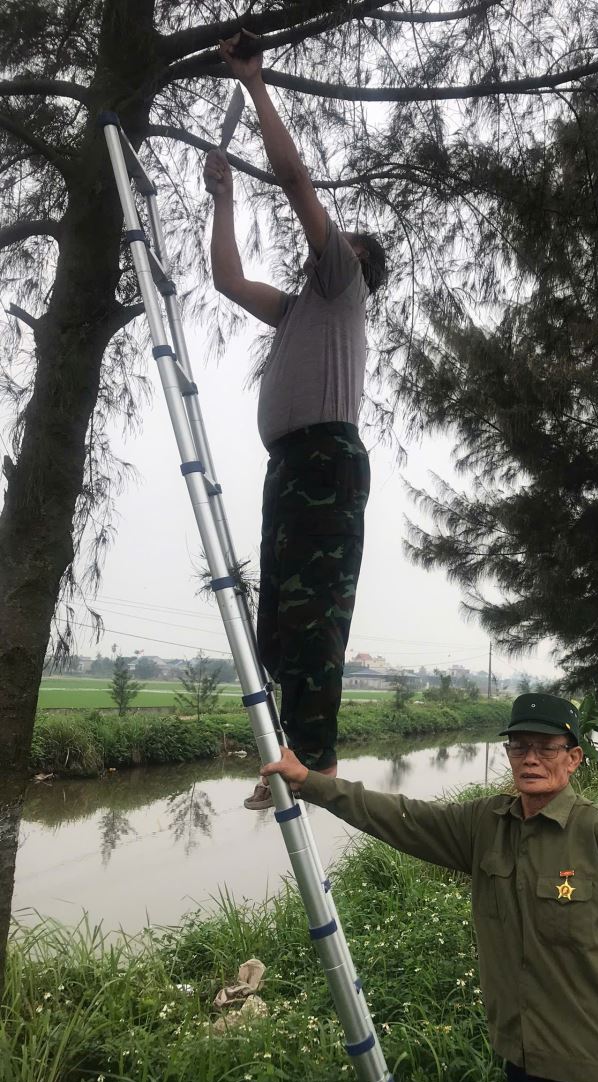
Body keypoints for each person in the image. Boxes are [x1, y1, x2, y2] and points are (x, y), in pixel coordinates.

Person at [263, 692, 598, 1082]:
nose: (531, 759)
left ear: (573, 758)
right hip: (524, 1062)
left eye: (546, 748)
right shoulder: (486, 825)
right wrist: (310, 782)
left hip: (597, 1066)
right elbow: (402, 817)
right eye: (519, 747)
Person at [203, 34, 387, 803]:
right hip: (292, 466)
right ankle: (290, 753)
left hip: (324, 460)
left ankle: (317, 762)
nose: (328, 243)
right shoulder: (297, 311)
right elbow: (227, 279)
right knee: (278, 625)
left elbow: (296, 180)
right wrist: (223, 199)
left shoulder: (342, 284)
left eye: (342, 242)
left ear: (354, 261)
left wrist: (254, 85)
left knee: (314, 620)